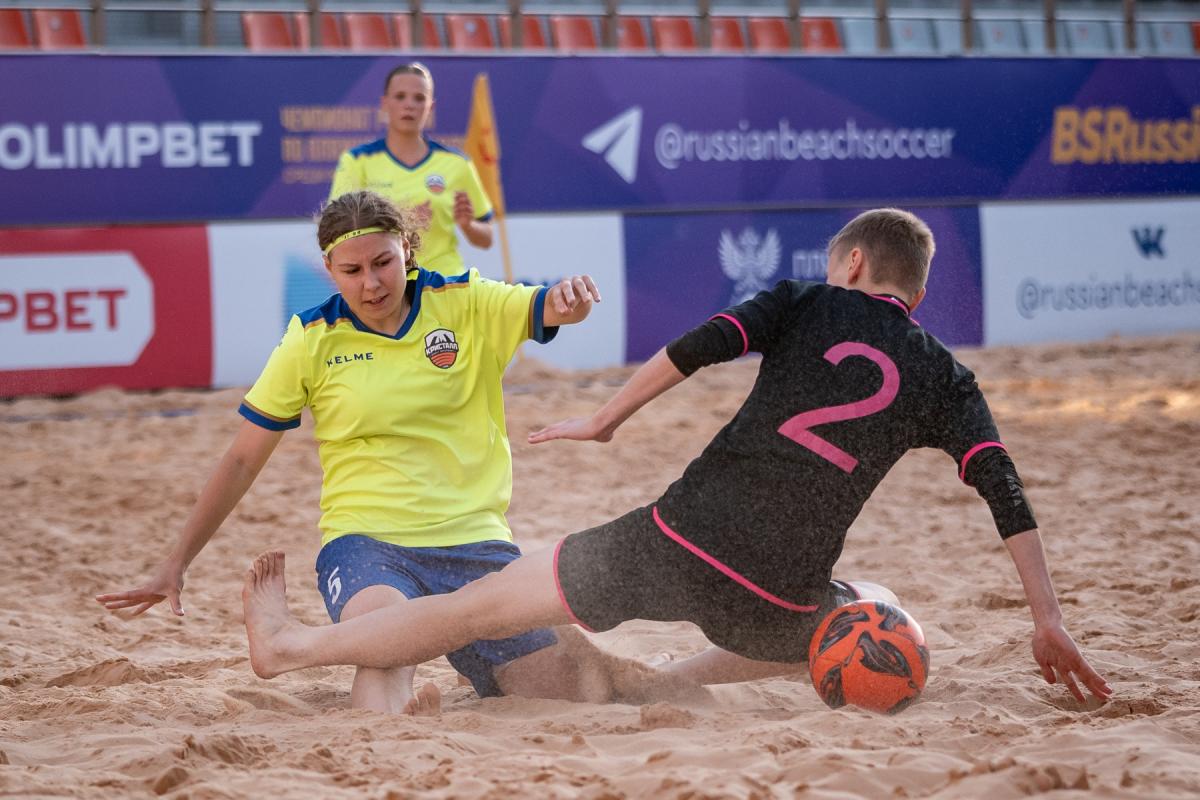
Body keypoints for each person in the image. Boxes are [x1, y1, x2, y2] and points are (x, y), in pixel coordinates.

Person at [239, 208, 1112, 707]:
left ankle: (292, 648)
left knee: (474, 610)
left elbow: (696, 348)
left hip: (674, 541)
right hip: (779, 591)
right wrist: (1046, 617)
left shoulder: (808, 299)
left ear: (851, 262)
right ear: (914, 288)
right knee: (870, 605)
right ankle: (670, 686)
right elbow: (1005, 491)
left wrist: (606, 418)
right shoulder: (947, 378)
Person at [96, 190, 700, 715]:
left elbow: (552, 306)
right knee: (384, 653)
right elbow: (241, 460)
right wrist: (176, 561)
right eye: (352, 270)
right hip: (368, 540)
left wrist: (573, 300)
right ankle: (387, 738)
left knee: (576, 689)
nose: (372, 283)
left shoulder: (464, 300)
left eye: (383, 262)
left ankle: (435, 664)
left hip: (477, 543)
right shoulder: (311, 338)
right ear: (329, 269)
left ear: (407, 250)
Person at [329, 62, 493, 273]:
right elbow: (338, 230)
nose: (409, 105)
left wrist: (468, 226)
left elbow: (486, 239)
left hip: (445, 280)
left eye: (419, 98)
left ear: (431, 106)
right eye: (400, 97)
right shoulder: (357, 161)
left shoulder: (457, 163)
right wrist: (404, 218)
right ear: (384, 103)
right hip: (386, 281)